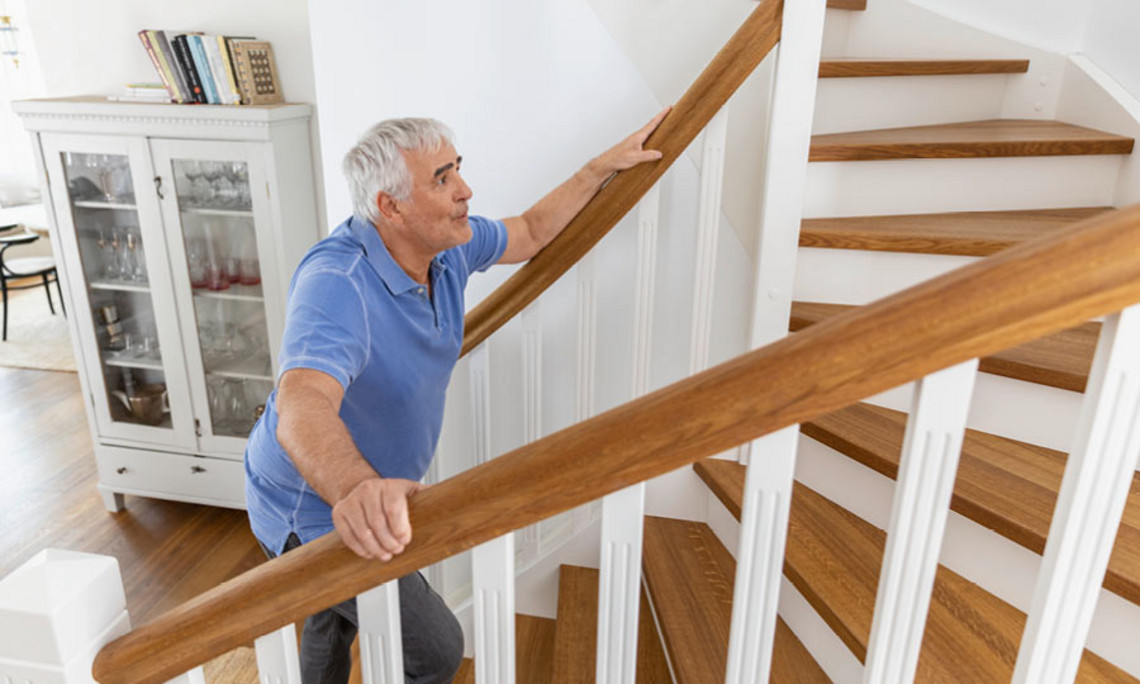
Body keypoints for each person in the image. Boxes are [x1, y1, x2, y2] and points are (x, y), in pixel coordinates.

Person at [243, 108, 669, 684]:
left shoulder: (447, 249)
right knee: (435, 648)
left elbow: (533, 230)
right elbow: (301, 404)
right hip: (309, 500)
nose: (465, 190)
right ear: (390, 208)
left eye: (457, 170)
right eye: (441, 179)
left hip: (367, 488)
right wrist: (356, 490)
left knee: (332, 616)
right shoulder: (337, 285)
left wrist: (599, 168)